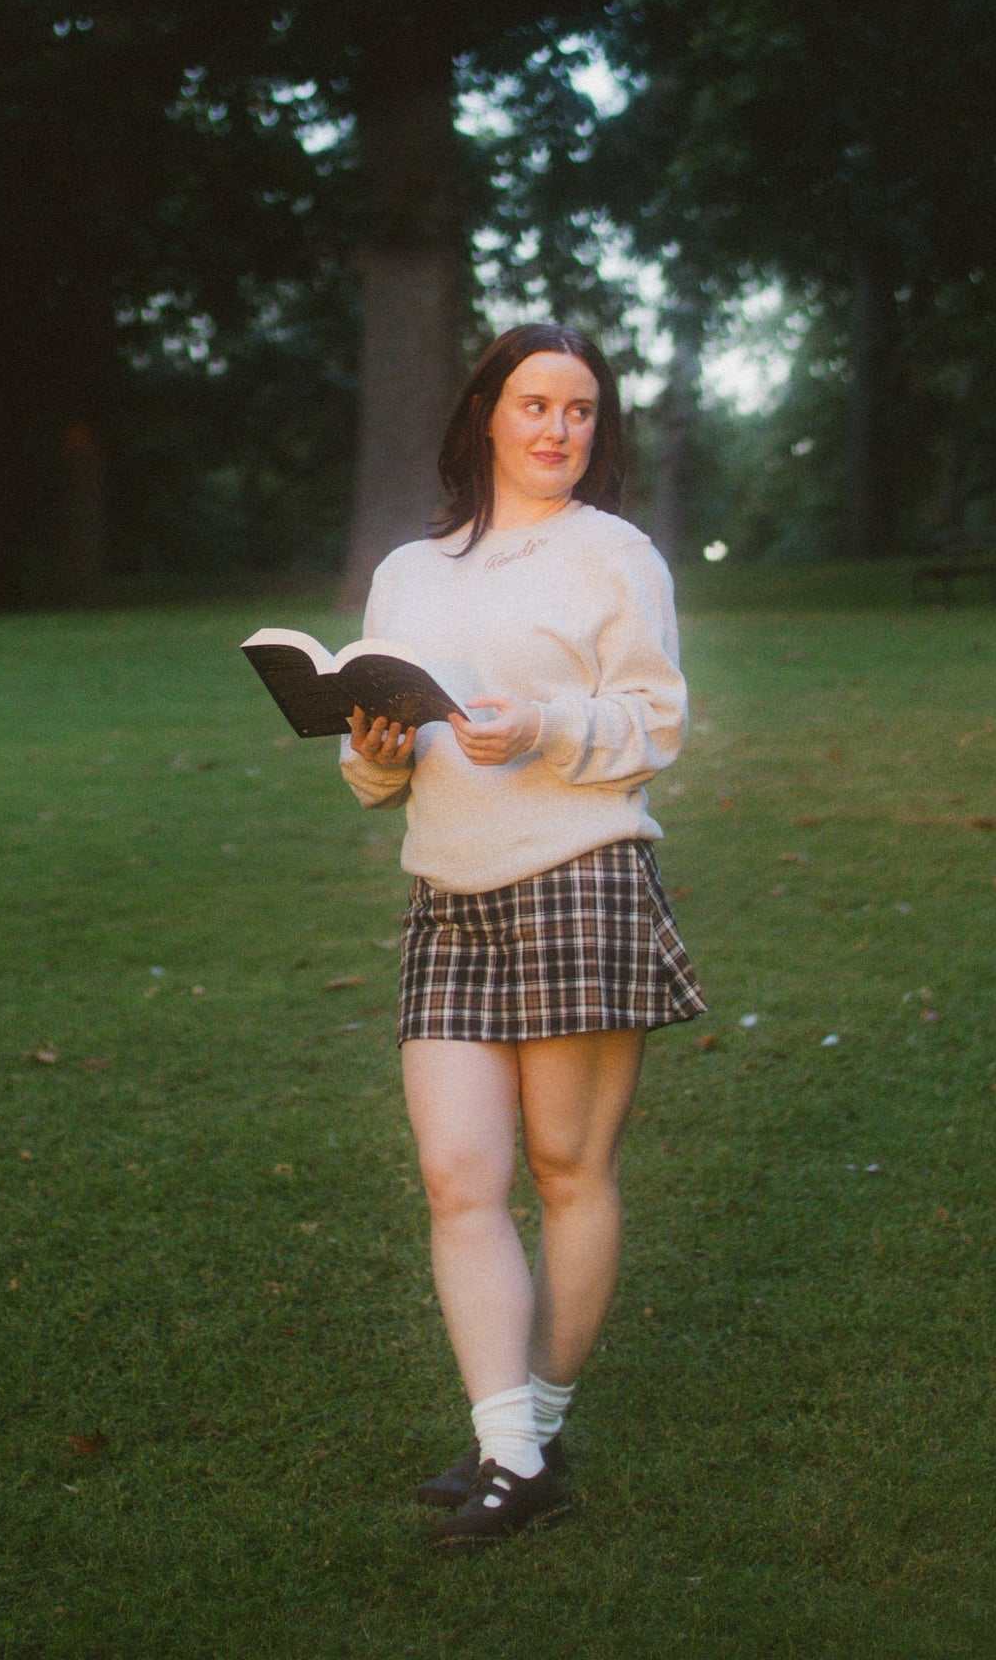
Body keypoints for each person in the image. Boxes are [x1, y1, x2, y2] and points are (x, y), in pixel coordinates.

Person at [340, 322, 706, 1547]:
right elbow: (371, 763)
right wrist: (375, 753)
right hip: (447, 889)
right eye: (537, 403)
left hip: (578, 875)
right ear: (487, 413)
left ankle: (527, 1439)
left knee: (566, 1170)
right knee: (458, 1177)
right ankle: (513, 1447)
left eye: (583, 410)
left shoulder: (617, 556)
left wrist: (546, 722)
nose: (558, 428)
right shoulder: (411, 571)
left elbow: (656, 721)